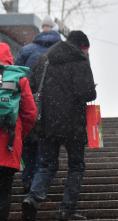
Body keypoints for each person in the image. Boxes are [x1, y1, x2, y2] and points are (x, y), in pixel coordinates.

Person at [22, 31, 97, 221]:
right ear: (82, 46)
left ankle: (33, 198)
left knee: (46, 165)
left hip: (47, 123)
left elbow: (31, 87)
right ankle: (66, 208)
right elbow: (88, 92)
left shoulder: (44, 60)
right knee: (75, 166)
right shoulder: (80, 62)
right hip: (73, 124)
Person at [15, 15, 61, 194]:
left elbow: (18, 75)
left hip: (28, 103)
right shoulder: (62, 52)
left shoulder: (27, 50)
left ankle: (27, 181)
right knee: (45, 148)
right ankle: (38, 185)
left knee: (29, 146)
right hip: (53, 108)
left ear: (42, 28)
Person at [0, 43, 37, 221]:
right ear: (9, 58)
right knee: (3, 193)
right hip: (8, 146)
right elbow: (30, 113)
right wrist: (20, 135)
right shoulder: (18, 78)